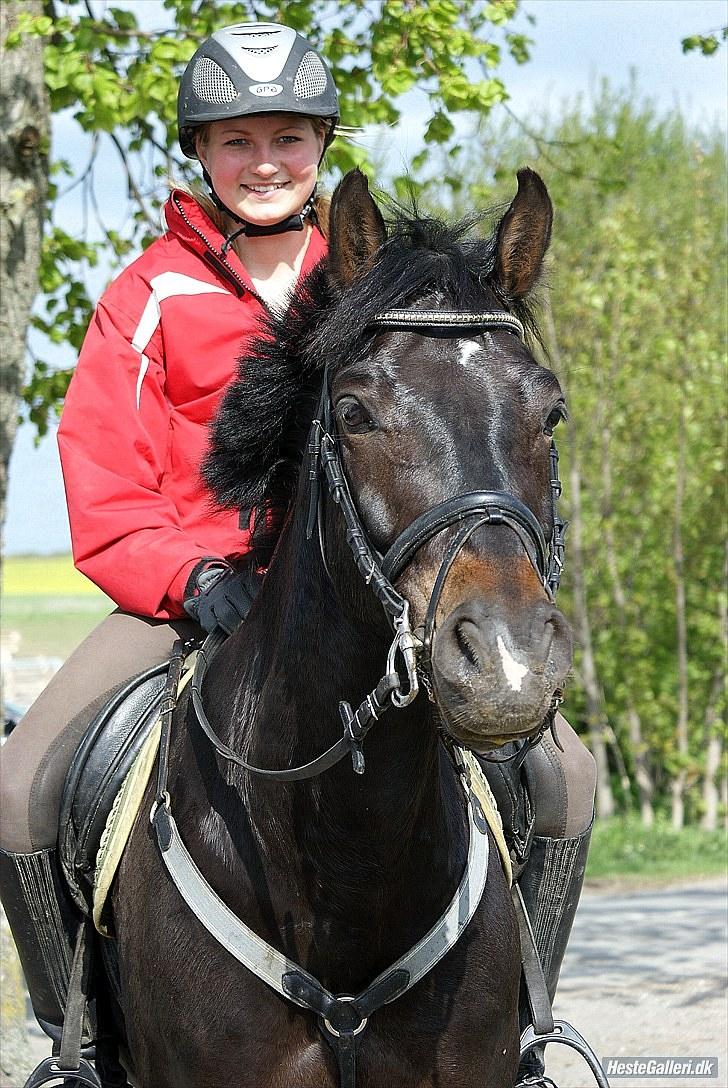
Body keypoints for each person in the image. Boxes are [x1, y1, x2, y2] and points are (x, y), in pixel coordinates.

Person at [0, 22, 595, 1088]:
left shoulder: (380, 286)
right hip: (183, 601)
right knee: (16, 788)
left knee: (567, 783)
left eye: (287, 135)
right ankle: (79, 1044)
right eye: (236, 140)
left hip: (370, 600)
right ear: (199, 153)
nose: (264, 160)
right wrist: (191, 575)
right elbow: (103, 481)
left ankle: (525, 1035)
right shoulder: (145, 297)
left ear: (322, 147)